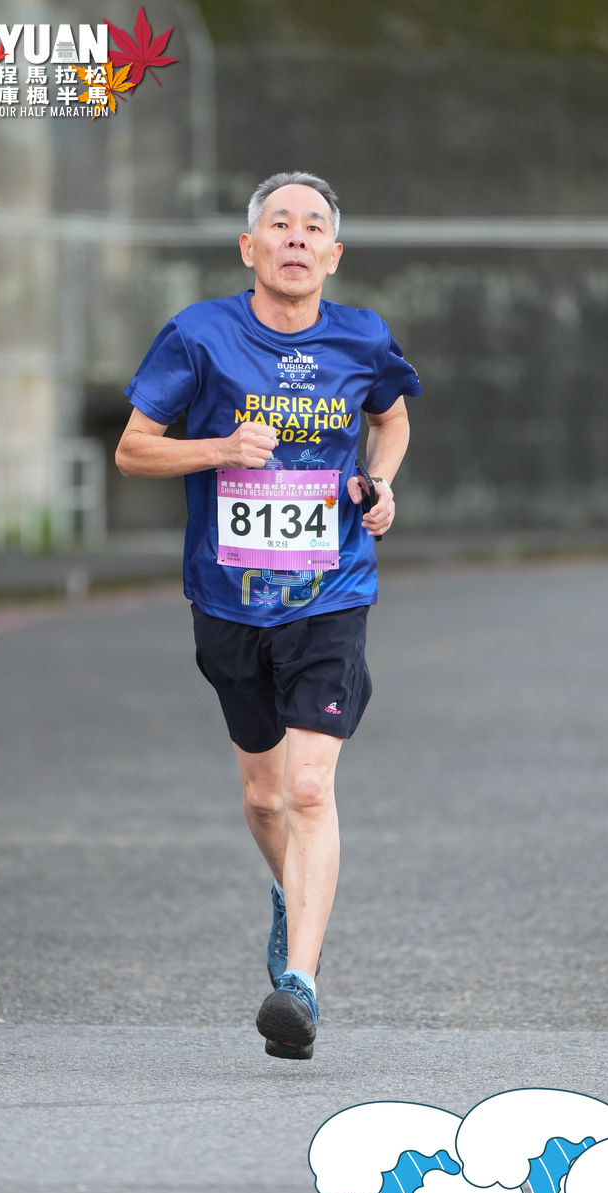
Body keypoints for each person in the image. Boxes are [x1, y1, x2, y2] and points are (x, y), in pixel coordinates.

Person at [116, 171, 421, 1060]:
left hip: (331, 589)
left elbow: (391, 420)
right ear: (248, 247)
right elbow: (133, 450)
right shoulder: (198, 334)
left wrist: (380, 483)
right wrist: (219, 448)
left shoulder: (363, 337)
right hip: (229, 596)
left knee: (309, 787)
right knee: (262, 795)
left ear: (334, 253)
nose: (295, 237)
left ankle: (299, 986)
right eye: (278, 224)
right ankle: (291, 891)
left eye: (312, 226)